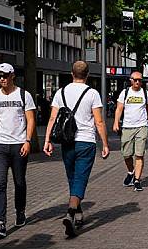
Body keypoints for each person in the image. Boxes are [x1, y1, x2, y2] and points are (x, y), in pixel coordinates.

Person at [44, 61, 109, 237]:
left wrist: (47, 140)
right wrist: (105, 143)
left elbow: (52, 118)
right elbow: (99, 121)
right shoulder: (92, 93)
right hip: (86, 142)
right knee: (80, 178)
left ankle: (78, 214)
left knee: (72, 177)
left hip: (67, 141)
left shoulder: (61, 92)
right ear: (87, 75)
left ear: (72, 74)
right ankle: (71, 212)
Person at [0, 63, 36, 239]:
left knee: (19, 182)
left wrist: (28, 141)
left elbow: (30, 119)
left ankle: (20, 212)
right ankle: (0, 222)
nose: (2, 79)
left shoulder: (24, 95)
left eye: (4, 75)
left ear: (12, 76)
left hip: (19, 144)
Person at [113, 72, 148, 192]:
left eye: (140, 80)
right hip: (127, 127)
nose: (138, 82)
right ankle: (131, 172)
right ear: (131, 80)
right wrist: (116, 122)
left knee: (139, 154)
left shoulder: (146, 94)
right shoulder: (125, 93)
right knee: (126, 154)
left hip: (141, 126)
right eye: (135, 80)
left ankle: (137, 180)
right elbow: (119, 109)